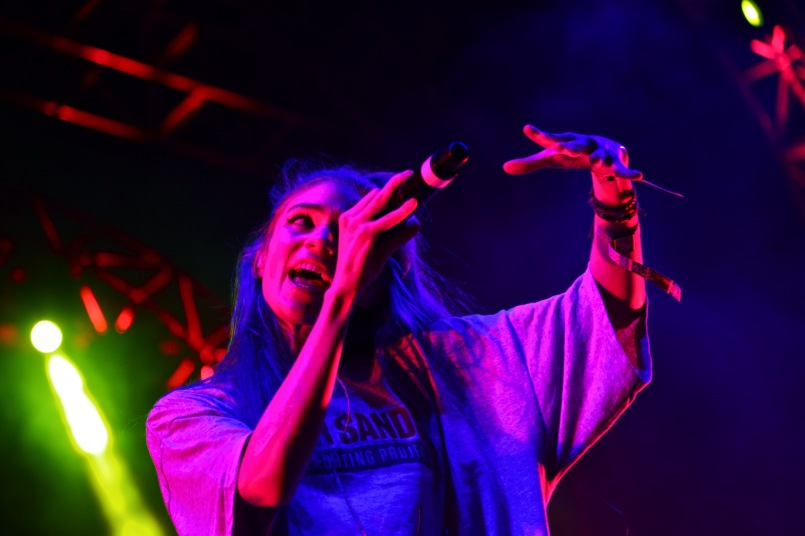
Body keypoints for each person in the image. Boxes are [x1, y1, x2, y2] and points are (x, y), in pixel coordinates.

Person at [146, 125, 654, 535]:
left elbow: (608, 316)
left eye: (343, 229)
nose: (322, 240)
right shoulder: (192, 416)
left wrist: (615, 197)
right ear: (260, 260)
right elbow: (261, 486)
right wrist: (341, 294)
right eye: (301, 222)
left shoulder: (471, 368)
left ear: (379, 271)